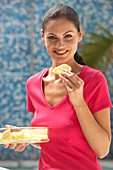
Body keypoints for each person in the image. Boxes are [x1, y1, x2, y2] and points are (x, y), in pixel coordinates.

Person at [4, 4, 112, 170]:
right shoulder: (33, 83)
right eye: (52, 37)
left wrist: (79, 102)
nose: (60, 45)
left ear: (79, 34)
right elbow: (52, 140)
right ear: (43, 37)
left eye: (68, 36)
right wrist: (25, 136)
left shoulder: (94, 80)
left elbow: (102, 149)